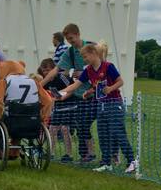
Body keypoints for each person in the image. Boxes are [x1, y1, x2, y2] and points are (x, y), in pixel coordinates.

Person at [59, 41, 137, 174]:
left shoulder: (108, 66)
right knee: (103, 135)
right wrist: (61, 93)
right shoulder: (88, 70)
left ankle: (132, 161)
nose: (84, 60)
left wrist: (110, 88)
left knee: (118, 133)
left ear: (93, 53)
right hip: (100, 106)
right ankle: (106, 163)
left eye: (85, 56)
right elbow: (76, 85)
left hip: (114, 104)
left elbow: (121, 82)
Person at [42, 23, 96, 162]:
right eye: (67, 39)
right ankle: (86, 155)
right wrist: (40, 85)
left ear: (78, 34)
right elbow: (56, 70)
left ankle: (94, 153)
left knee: (87, 124)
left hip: (94, 92)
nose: (70, 41)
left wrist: (83, 72)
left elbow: (101, 66)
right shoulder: (70, 52)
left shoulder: (91, 47)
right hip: (78, 93)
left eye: (71, 38)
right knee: (80, 125)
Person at [0, 60, 53, 135]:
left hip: (12, 118)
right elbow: (48, 101)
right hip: (32, 118)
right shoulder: (33, 82)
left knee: (2, 118)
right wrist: (42, 118)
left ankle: (0, 143)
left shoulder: (5, 81)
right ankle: (15, 142)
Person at [38, 58, 74, 161]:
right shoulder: (45, 82)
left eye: (48, 70)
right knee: (52, 129)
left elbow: (72, 89)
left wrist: (63, 97)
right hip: (58, 107)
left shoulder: (62, 77)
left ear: (54, 69)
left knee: (65, 129)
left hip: (69, 105)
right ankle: (51, 152)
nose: (46, 73)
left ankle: (69, 154)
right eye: (44, 71)